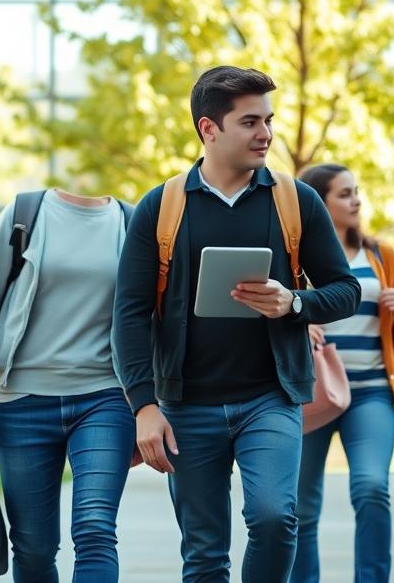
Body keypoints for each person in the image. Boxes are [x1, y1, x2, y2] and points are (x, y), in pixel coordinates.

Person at [112, 65, 361, 583]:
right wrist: (144, 407)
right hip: (186, 406)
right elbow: (130, 316)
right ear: (209, 129)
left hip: (270, 397)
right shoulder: (160, 208)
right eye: (250, 122)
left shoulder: (296, 200)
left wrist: (292, 302)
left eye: (268, 120)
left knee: (275, 519)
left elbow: (346, 291)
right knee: (204, 553)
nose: (265, 133)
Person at [0, 188, 137, 583]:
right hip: (22, 402)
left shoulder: (131, 220)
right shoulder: (25, 213)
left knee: (95, 530)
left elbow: (149, 320)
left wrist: (147, 406)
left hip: (105, 397)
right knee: (33, 546)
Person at [289, 165, 394, 583]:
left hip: (371, 393)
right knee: (300, 506)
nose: (356, 201)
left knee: (371, 488)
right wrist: (299, 318)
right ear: (317, 202)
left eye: (356, 192)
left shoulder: (382, 256)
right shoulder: (293, 257)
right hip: (311, 394)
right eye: (344, 194)